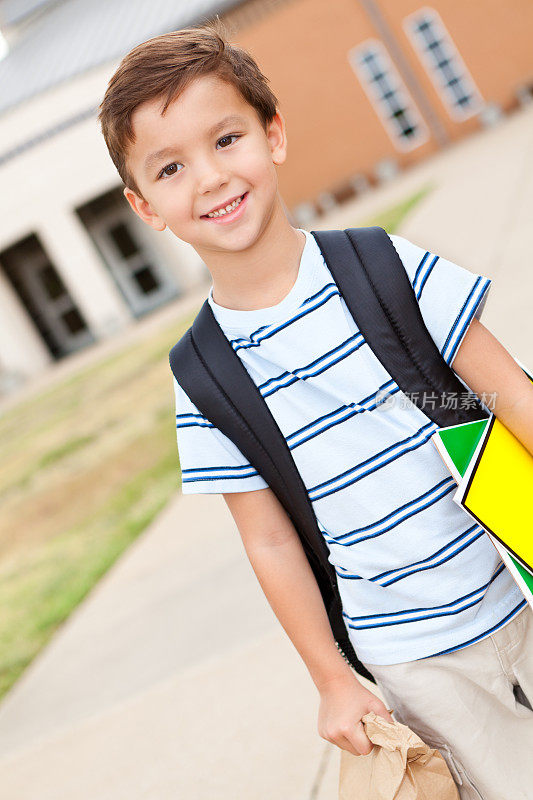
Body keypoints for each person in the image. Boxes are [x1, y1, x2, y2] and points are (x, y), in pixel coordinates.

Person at [98, 22, 533, 799]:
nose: (208, 177)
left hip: (520, 577)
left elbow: (509, 396)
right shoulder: (205, 375)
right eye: (170, 167)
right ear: (145, 206)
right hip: (414, 658)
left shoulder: (380, 263)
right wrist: (331, 677)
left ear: (273, 134)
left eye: (225, 139)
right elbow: (267, 540)